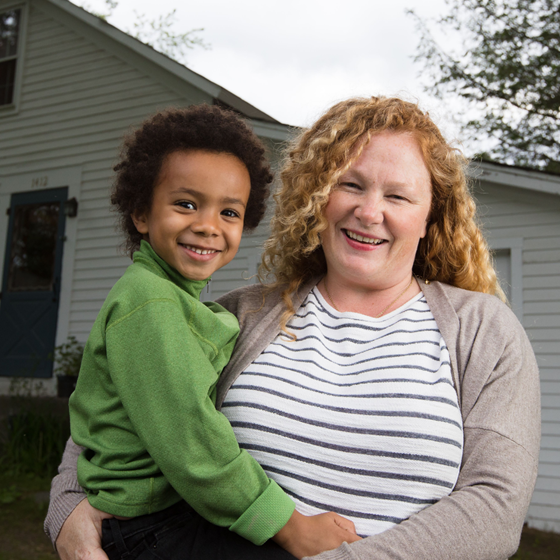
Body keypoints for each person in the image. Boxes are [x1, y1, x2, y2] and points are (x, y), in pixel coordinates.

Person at [46, 96, 540, 560]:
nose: (369, 211)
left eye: (398, 195)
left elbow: (495, 509)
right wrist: (67, 510)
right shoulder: (236, 317)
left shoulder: (482, 331)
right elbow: (118, 408)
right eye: (350, 184)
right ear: (316, 196)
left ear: (431, 216)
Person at [60, 104, 359, 560]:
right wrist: (288, 525)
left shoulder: (173, 299)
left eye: (229, 212)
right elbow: (191, 440)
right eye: (186, 204)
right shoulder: (150, 302)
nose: (207, 225)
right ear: (141, 212)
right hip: (148, 529)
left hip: (163, 519)